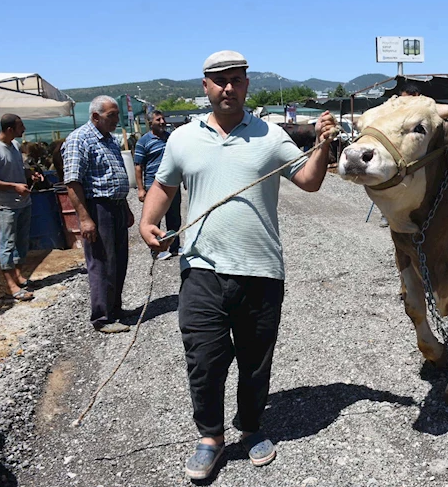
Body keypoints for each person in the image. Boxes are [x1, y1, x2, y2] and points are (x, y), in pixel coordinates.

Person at [139, 50, 336, 480]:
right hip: (201, 269)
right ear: (205, 86)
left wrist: (322, 146)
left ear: (247, 85)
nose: (229, 87)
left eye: (237, 79)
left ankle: (249, 426)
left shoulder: (271, 135)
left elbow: (309, 181)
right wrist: (147, 221)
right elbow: (163, 184)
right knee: (205, 358)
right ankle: (210, 436)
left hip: (261, 269)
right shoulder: (182, 139)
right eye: (219, 80)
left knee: (254, 360)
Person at [62, 96, 138, 334]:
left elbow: (116, 178)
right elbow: (73, 182)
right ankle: (102, 317)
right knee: (102, 261)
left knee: (119, 260)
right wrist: (84, 218)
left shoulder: (110, 140)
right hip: (98, 208)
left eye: (117, 114)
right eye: (111, 116)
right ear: (95, 116)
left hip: (115, 206)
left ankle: (115, 309)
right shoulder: (79, 140)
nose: (116, 120)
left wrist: (125, 207)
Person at [0, 114, 41, 301]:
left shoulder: (13, 145)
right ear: (9, 129)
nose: (24, 130)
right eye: (20, 126)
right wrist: (13, 187)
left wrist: (31, 175)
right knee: (7, 243)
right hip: (6, 204)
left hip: (23, 201)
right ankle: (11, 285)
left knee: (21, 241)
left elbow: (18, 168)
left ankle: (19, 275)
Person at [134, 109, 181, 260]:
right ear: (149, 123)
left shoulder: (170, 138)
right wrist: (141, 189)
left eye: (163, 119)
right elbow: (138, 166)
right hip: (153, 185)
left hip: (173, 184)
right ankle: (157, 249)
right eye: (158, 120)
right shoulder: (143, 142)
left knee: (174, 217)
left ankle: (175, 246)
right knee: (155, 219)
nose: (162, 122)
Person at [376, 83, 423, 229]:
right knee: (389, 183)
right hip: (395, 153)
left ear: (417, 98)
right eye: (403, 100)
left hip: (418, 154)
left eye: (410, 100)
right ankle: (386, 214)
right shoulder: (390, 113)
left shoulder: (424, 111)